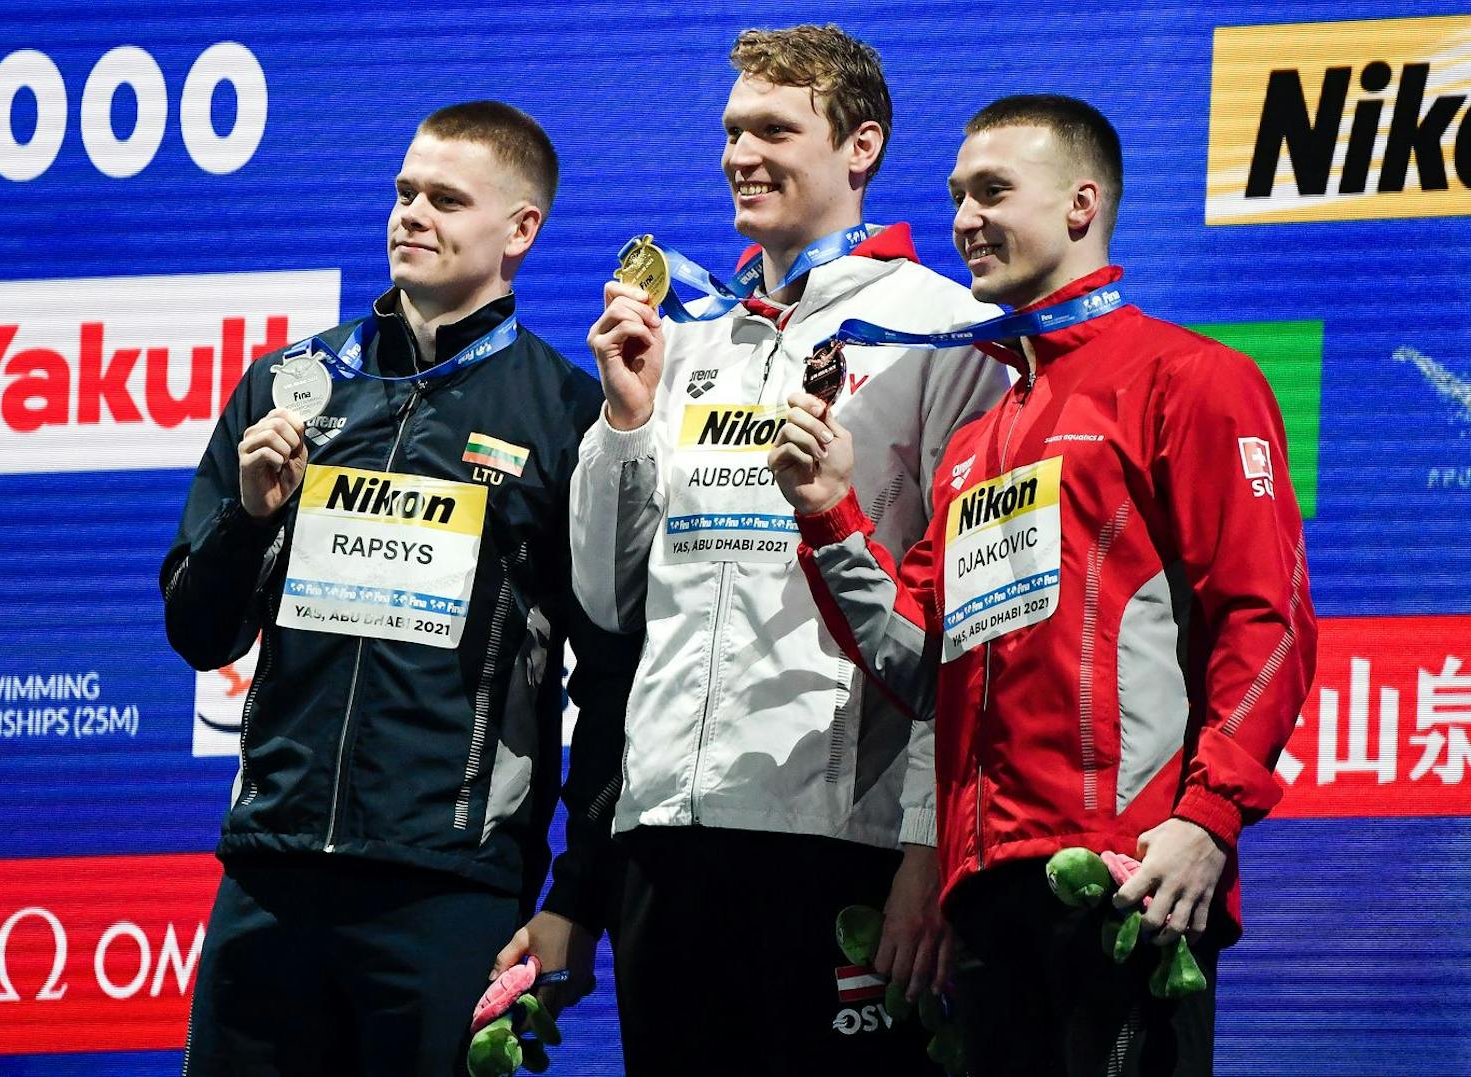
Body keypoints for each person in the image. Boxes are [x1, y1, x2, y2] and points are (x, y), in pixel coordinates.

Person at [769, 93, 1318, 1075]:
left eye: (991, 192)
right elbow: (917, 655)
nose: (962, 220)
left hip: (1126, 878)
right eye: (954, 197)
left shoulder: (1188, 379)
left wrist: (1204, 820)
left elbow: (1264, 619)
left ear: (1080, 205)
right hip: (986, 895)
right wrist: (829, 513)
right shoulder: (980, 440)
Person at [498, 25, 1007, 1076]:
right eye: (732, 129)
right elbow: (606, 598)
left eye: (774, 128)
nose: (740, 153)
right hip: (665, 832)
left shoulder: (946, 335)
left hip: (835, 842)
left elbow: (959, 630)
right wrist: (627, 423)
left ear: (859, 147)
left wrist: (924, 845)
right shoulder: (685, 334)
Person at [161, 100, 638, 1076]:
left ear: (519, 231)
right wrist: (249, 516)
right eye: (404, 193)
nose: (411, 215)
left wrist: (573, 897)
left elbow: (614, 679)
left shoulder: (565, 415)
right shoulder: (288, 385)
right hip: (270, 876)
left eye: (446, 199)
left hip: (448, 892)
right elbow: (198, 633)